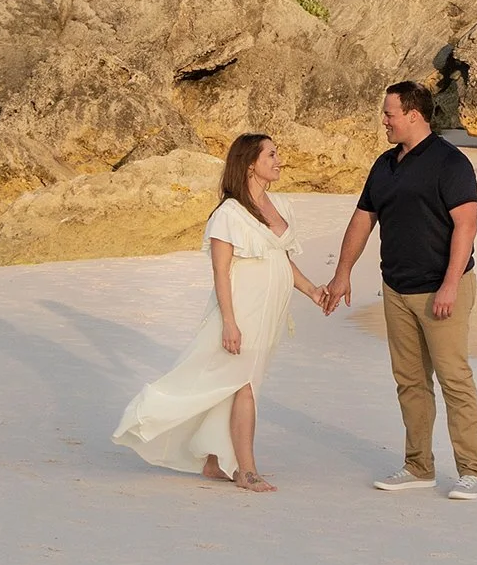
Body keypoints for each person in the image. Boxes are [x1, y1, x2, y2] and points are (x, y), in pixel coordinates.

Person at [112, 133, 329, 492]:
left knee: (240, 385)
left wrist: (312, 292)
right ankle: (246, 469)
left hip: (268, 314)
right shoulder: (228, 214)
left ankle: (214, 462)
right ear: (249, 165)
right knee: (243, 385)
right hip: (241, 312)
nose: (279, 161)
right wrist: (229, 321)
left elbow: (281, 259)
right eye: (271, 155)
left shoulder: (280, 206)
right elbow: (220, 271)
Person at [321, 81, 477, 500]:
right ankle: (418, 467)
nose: (384, 120)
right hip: (396, 288)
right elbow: (362, 221)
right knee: (410, 381)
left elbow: (466, 226)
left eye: (389, 113)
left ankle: (473, 471)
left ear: (414, 115)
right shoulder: (384, 165)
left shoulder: (451, 163)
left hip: (441, 287)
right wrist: (343, 273)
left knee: (454, 379)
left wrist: (450, 284)